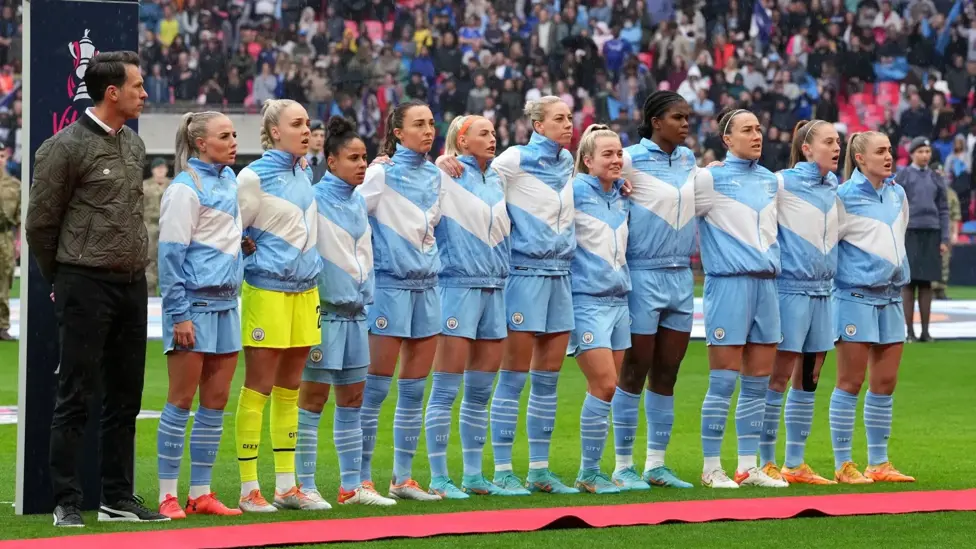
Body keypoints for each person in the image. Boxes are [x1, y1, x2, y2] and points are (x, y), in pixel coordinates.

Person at [25, 51, 167, 526]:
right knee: (76, 393)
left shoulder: (133, 145)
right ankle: (66, 500)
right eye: (138, 86)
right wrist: (63, 277)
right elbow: (40, 224)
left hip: (131, 285)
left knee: (126, 396)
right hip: (83, 283)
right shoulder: (62, 148)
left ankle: (116, 497)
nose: (145, 94)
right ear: (113, 93)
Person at [467, 97, 578, 494]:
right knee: (512, 378)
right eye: (560, 119)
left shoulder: (568, 164)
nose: (568, 125)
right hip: (524, 275)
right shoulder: (513, 159)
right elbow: (473, 176)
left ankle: (539, 470)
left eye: (570, 118)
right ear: (537, 124)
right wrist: (449, 161)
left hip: (561, 277)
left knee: (547, 380)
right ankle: (502, 470)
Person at [294, 116, 396, 507]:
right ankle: (304, 486)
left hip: (357, 314)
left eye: (365, 157)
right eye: (353, 158)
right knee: (313, 400)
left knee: (353, 400)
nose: (361, 164)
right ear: (331, 161)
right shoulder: (313, 198)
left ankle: (352, 487)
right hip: (325, 314)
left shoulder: (360, 201)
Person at [235, 98, 326, 512]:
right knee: (258, 388)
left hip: (306, 291)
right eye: (296, 124)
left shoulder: (304, 171)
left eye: (307, 123)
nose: (306, 130)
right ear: (274, 132)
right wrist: (247, 249)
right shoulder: (252, 177)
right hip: (267, 291)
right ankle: (248, 487)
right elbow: (231, 229)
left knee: (290, 390)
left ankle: (287, 487)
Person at [424, 115, 522, 498]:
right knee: (446, 389)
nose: (493, 137)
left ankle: (473, 475)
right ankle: (437, 476)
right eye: (484, 133)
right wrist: (436, 160)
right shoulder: (444, 175)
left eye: (495, 131)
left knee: (481, 391)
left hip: (496, 288)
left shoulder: (498, 178)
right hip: (456, 288)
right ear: (462, 142)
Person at [155, 111, 245, 519]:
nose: (233, 141)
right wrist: (178, 314)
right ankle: (167, 495)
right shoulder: (184, 189)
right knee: (179, 401)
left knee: (215, 403)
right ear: (200, 144)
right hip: (193, 307)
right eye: (224, 136)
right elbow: (170, 257)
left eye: (233, 134)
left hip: (228, 306)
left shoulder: (228, 181)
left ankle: (201, 493)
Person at [694, 107, 788, 489]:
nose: (757, 135)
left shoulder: (771, 181)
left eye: (759, 128)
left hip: (767, 286)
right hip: (728, 285)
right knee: (723, 381)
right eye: (747, 130)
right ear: (727, 140)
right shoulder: (707, 179)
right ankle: (711, 467)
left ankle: (748, 467)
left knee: (757, 383)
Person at [358, 100, 445, 501]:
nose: (428, 130)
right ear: (397, 133)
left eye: (430, 123)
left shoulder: (436, 174)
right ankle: (360, 479)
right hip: (389, 287)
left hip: (427, 289)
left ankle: (403, 478)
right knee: (374, 390)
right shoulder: (380, 173)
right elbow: (350, 214)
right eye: (418, 124)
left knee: (414, 389)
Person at [612, 90, 695, 490]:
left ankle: (656, 465)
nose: (686, 124)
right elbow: (589, 181)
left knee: (668, 372)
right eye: (678, 118)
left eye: (688, 118)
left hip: (681, 277)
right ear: (655, 121)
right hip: (642, 275)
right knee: (634, 369)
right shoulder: (627, 159)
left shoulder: (689, 160)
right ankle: (623, 465)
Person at [758, 119, 841, 486]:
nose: (836, 147)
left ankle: (795, 463)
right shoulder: (780, 182)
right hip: (790, 290)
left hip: (824, 291)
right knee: (778, 375)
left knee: (810, 376)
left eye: (838, 141)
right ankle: (765, 461)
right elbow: (746, 191)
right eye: (828, 142)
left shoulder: (834, 184)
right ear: (807, 148)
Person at [831, 131, 915, 484]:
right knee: (850, 381)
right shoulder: (843, 197)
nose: (888, 156)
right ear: (860, 158)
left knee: (885, 383)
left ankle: (878, 463)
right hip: (854, 297)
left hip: (892, 297)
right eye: (880, 151)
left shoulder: (898, 193)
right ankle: (843, 464)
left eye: (890, 150)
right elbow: (828, 244)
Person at [567, 125, 630, 494]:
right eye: (607, 155)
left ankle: (592, 472)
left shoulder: (622, 194)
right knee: (604, 383)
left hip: (619, 300)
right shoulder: (572, 190)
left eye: (619, 153)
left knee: (607, 389)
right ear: (587, 161)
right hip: (586, 299)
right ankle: (588, 473)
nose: (616, 159)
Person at [895, 138, 950, 342]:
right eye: (921, 151)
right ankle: (909, 332)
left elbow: (944, 210)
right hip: (909, 232)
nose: (925, 155)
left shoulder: (936, 178)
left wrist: (944, 238)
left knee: (927, 284)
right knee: (908, 284)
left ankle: (926, 332)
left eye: (927, 151)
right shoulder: (903, 175)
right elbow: (896, 207)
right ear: (912, 154)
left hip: (932, 232)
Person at [143, 157, 171, 296]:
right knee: (150, 260)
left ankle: (169, 294)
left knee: (169, 260)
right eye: (157, 168)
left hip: (169, 227)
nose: (160, 171)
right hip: (150, 226)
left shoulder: (172, 185)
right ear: (153, 170)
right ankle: (150, 294)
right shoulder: (145, 186)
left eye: (162, 168)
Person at [0, 147, 19, 341]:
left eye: (2, 156)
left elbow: (21, 217)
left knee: (5, 281)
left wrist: (19, 242)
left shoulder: (14, 185)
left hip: (5, 236)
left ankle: (3, 326)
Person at [935, 186, 961, 299]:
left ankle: (941, 290)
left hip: (947, 231)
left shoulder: (951, 193)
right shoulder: (929, 189)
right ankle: (929, 289)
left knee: (945, 261)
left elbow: (956, 214)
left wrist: (955, 233)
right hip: (931, 229)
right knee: (931, 260)